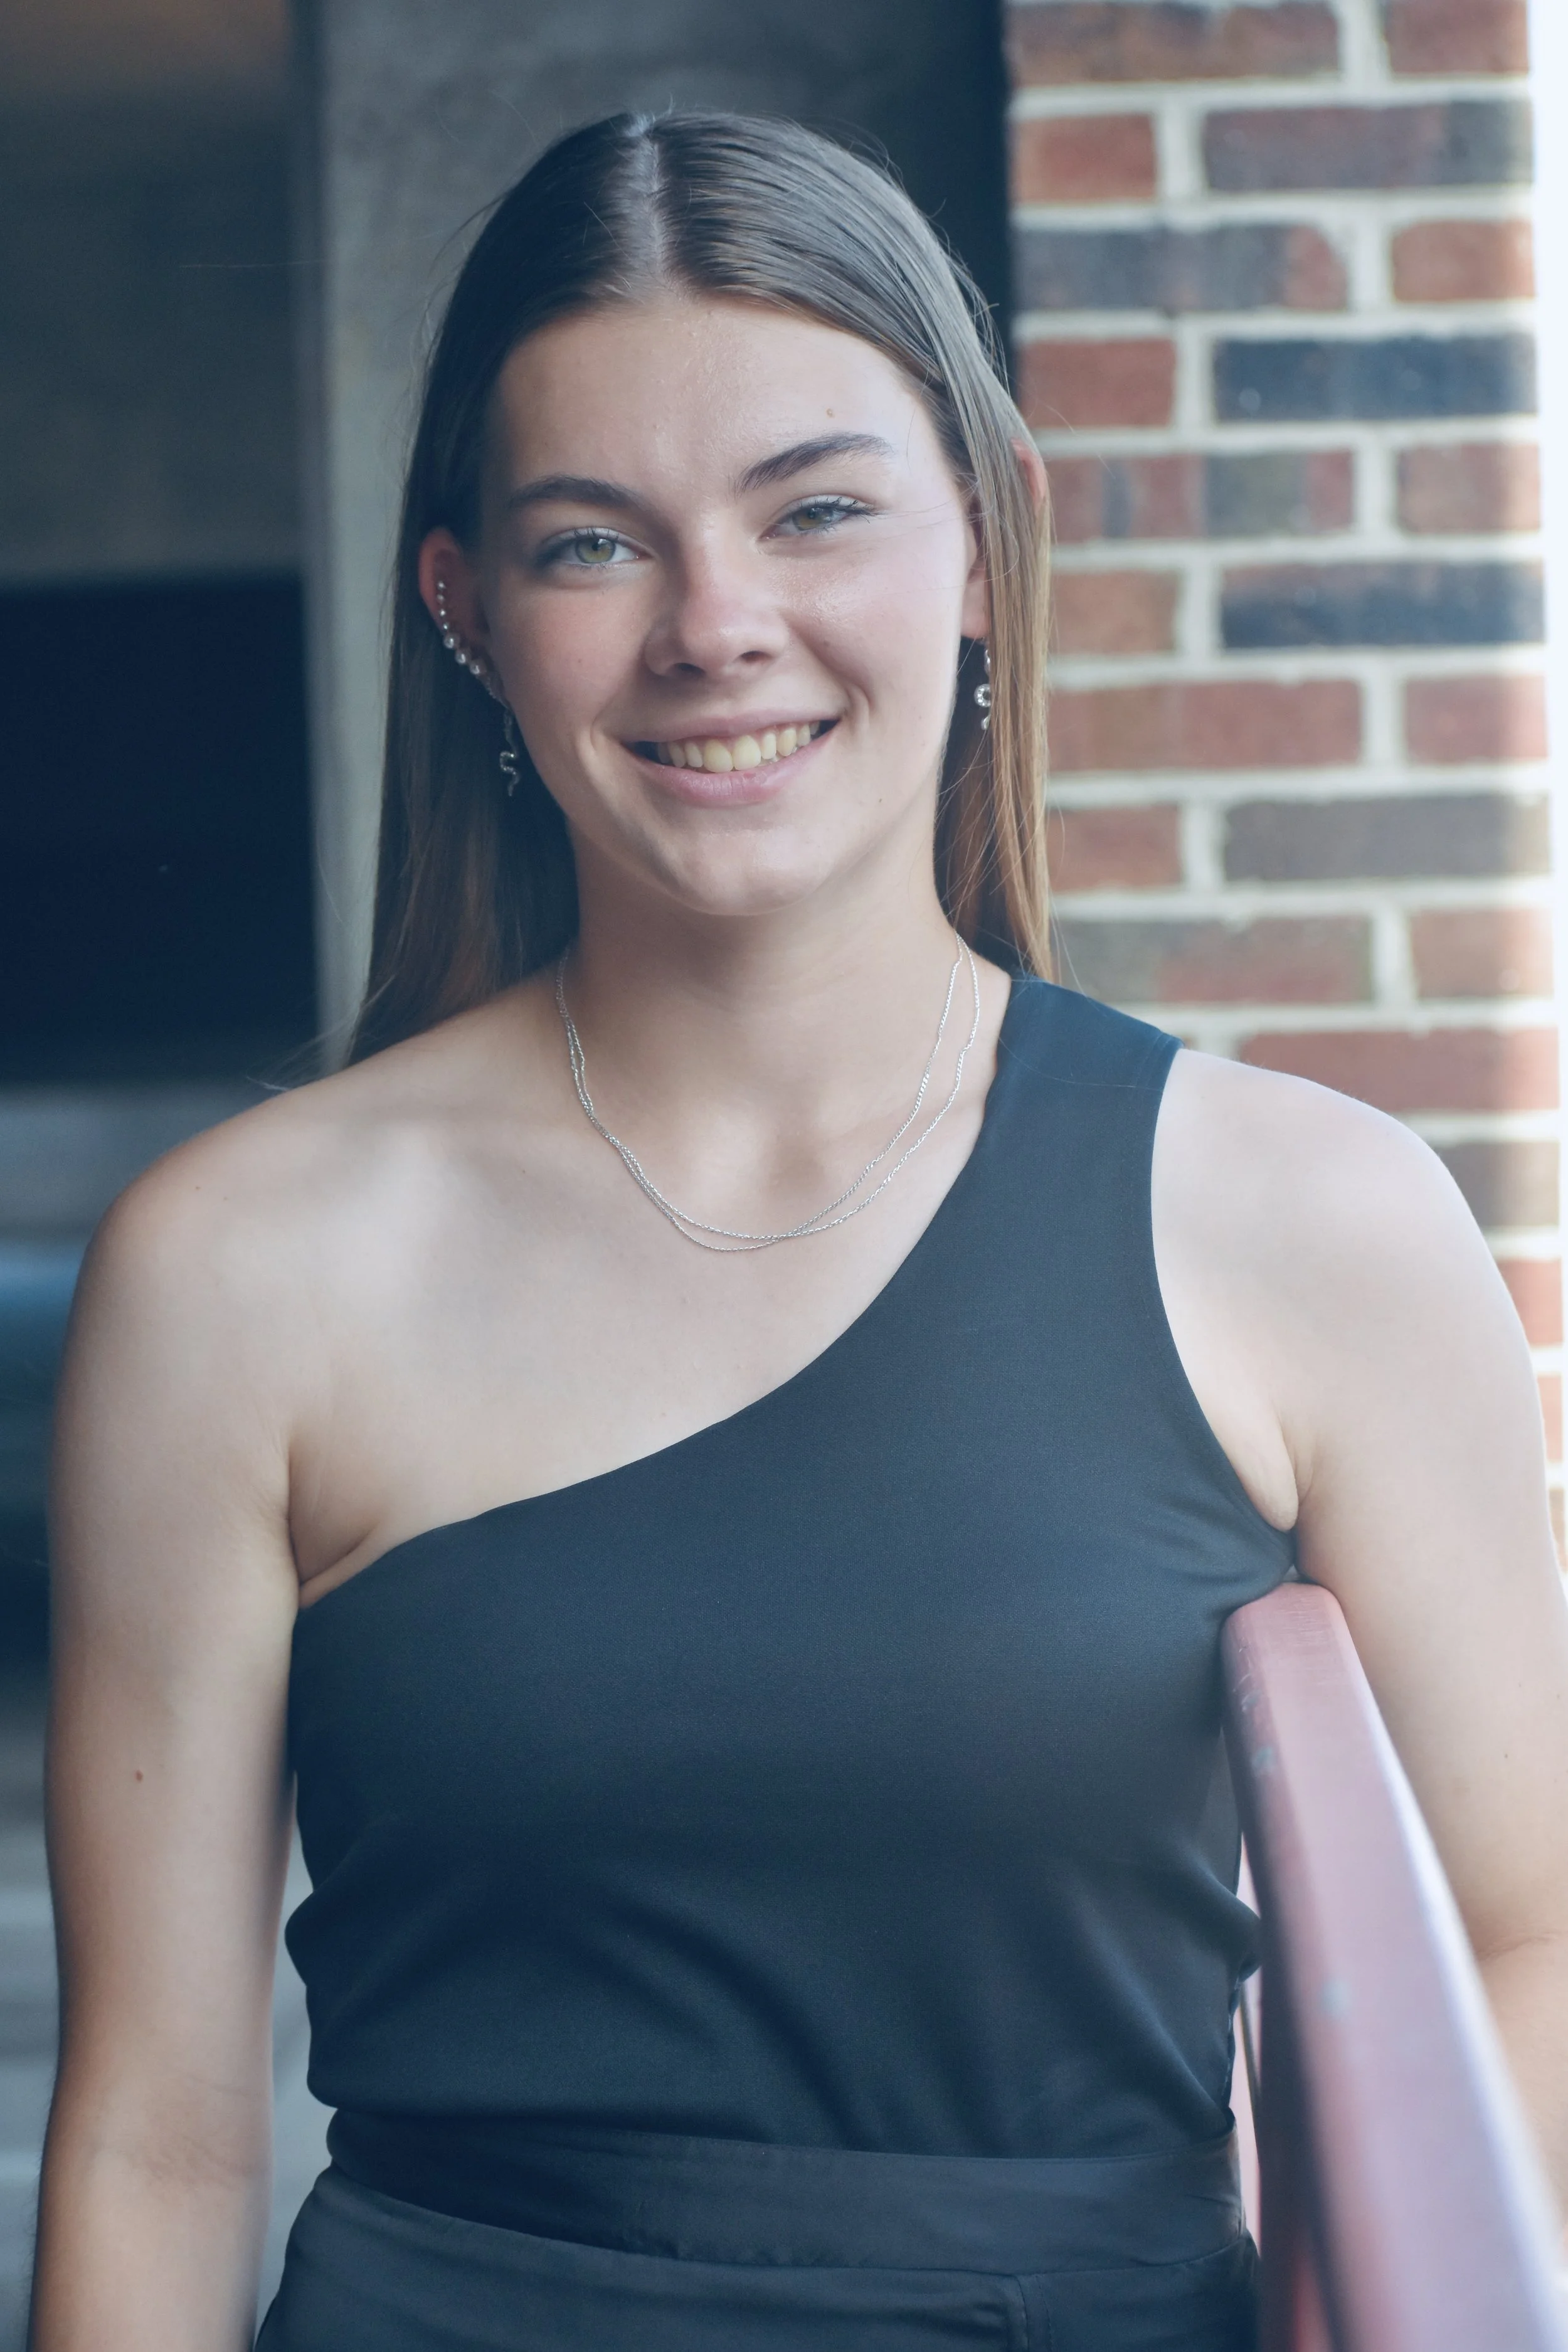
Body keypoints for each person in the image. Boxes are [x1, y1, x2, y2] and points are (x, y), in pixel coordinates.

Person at [29, 110, 1568, 2352]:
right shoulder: (239, 1269)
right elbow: (157, 2135)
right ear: (466, 610)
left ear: (979, 539)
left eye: (817, 508)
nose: (714, 626)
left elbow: (1527, 1948)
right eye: (591, 545)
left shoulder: (1305, 1222)